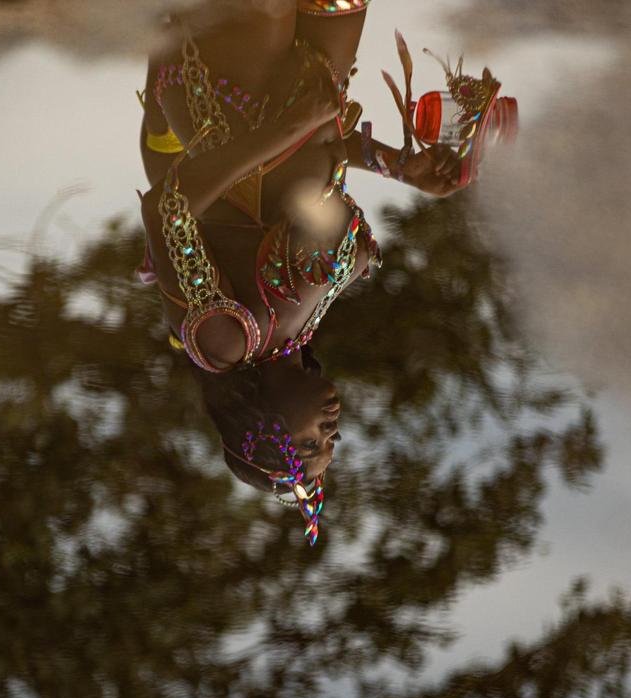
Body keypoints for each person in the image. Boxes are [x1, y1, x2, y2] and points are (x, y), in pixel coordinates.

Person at [135, 0, 509, 542]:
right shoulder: (299, 330)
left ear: (259, 425)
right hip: (310, 95)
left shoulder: (225, 338)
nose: (331, 432)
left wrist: (286, 126)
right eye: (330, 445)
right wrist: (399, 166)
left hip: (229, 98)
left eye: (310, 444)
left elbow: (166, 210)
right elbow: (319, 164)